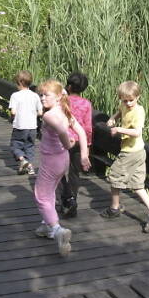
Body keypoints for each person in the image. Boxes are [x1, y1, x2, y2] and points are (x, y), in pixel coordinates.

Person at [34, 80, 90, 256]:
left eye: (46, 95)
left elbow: (63, 133)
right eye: (41, 95)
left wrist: (67, 144)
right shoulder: (65, 111)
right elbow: (80, 132)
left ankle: (58, 231)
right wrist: (83, 154)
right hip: (63, 161)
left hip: (52, 160)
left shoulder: (49, 116)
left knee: (41, 196)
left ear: (58, 97)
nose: (42, 98)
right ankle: (46, 226)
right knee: (50, 192)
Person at [101, 81, 149, 233]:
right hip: (136, 151)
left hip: (131, 152)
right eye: (125, 100)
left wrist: (118, 129)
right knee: (137, 184)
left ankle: (115, 208)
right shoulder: (124, 105)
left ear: (138, 97)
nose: (128, 103)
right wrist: (113, 118)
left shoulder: (139, 111)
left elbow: (137, 132)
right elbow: (120, 111)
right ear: (121, 99)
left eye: (131, 100)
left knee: (115, 176)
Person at [58, 72, 93, 218]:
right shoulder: (86, 103)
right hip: (79, 141)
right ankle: (74, 200)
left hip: (64, 140)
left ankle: (66, 200)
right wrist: (88, 145)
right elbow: (88, 127)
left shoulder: (63, 101)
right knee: (74, 173)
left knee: (60, 171)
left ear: (69, 86)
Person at [9, 70, 43, 175]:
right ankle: (30, 167)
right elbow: (41, 112)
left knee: (15, 145)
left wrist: (12, 116)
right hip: (32, 127)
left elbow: (13, 112)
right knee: (30, 146)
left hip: (20, 126)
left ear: (20, 82)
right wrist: (33, 115)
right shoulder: (35, 96)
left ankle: (22, 160)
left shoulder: (15, 95)